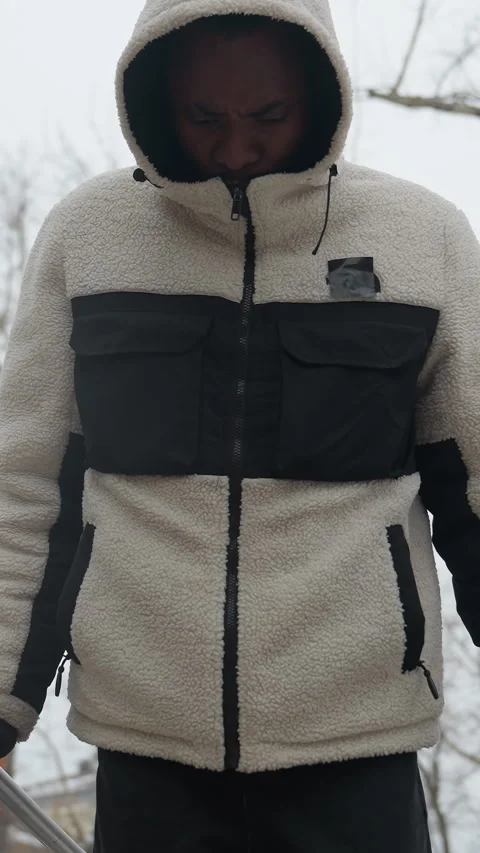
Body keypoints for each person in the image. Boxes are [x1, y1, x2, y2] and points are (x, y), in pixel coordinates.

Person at [0, 0, 479, 850]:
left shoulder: (423, 240)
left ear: (321, 89)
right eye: (203, 117)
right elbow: (24, 486)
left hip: (356, 749)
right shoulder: (88, 237)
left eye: (266, 115)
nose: (234, 146)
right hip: (146, 748)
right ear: (154, 94)